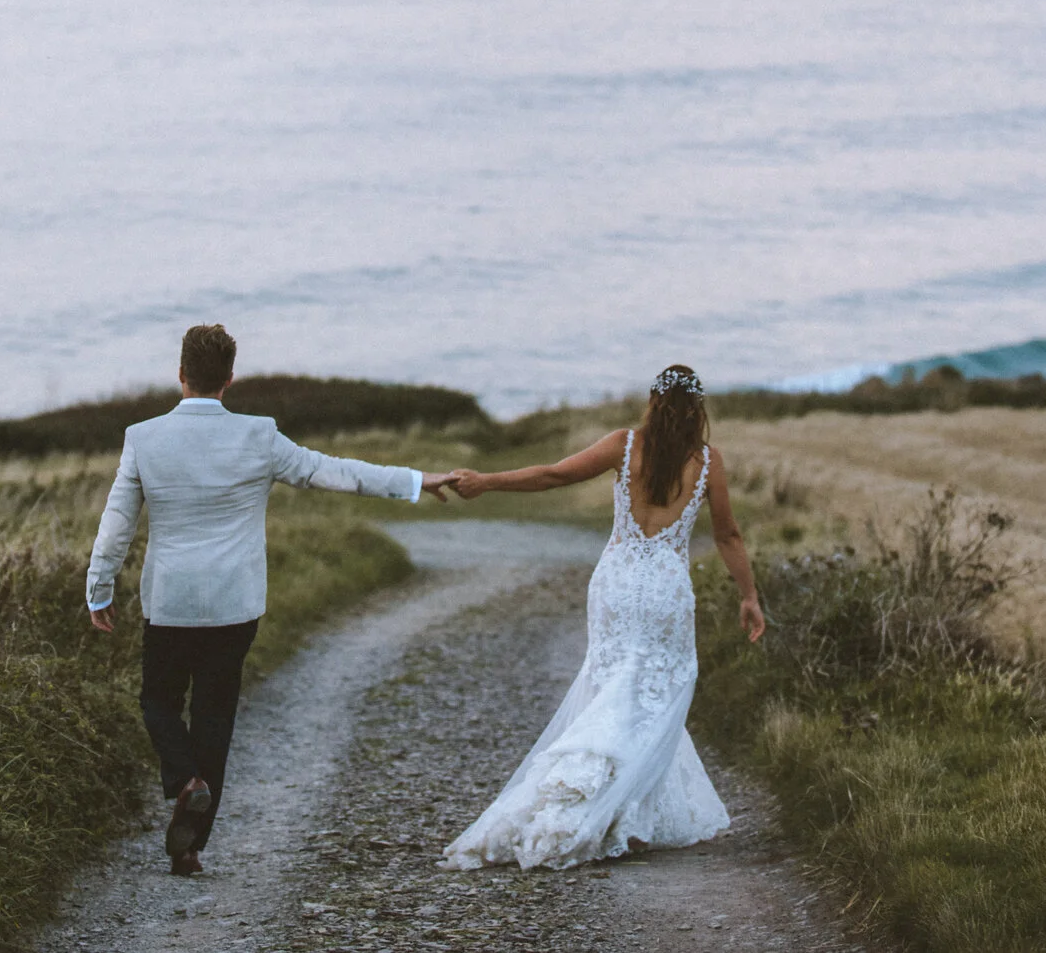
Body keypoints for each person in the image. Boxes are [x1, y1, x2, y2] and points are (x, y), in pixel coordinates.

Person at [85, 323, 462, 875]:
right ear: (229, 379)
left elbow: (117, 521)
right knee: (215, 719)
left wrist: (99, 586)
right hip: (235, 607)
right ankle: (189, 847)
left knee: (158, 702)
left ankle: (185, 781)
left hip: (171, 604)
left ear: (181, 374)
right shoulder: (259, 436)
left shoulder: (144, 437)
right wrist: (413, 480)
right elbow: (334, 473)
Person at [439, 364, 763, 870]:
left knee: (610, 685)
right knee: (657, 696)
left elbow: (553, 474)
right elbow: (728, 535)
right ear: (698, 411)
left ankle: (610, 806)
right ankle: (620, 814)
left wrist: (487, 481)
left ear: (653, 403)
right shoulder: (707, 462)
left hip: (615, 582)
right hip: (664, 590)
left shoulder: (624, 445)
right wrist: (749, 596)